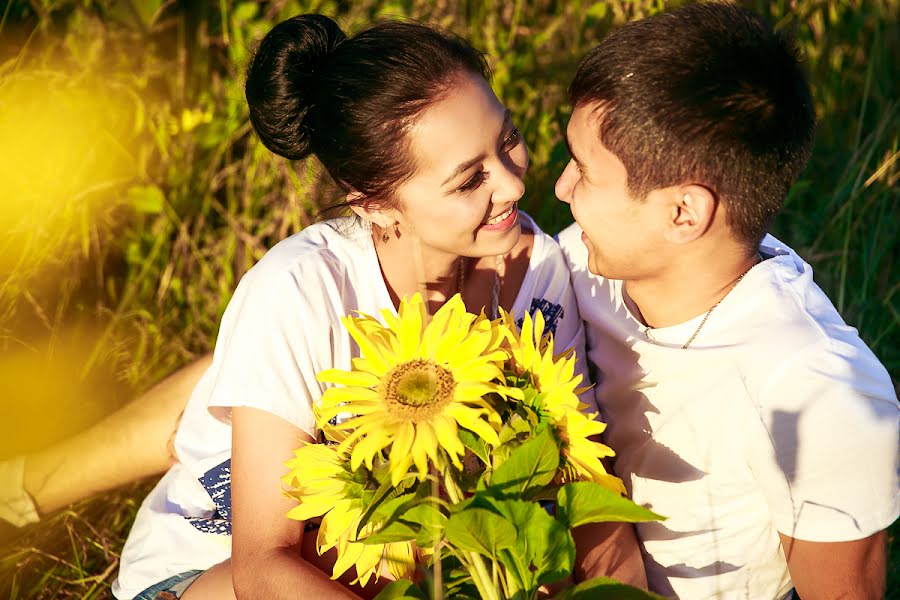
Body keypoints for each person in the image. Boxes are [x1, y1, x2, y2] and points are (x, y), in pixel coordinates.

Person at [5, 14, 636, 600]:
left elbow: (572, 476)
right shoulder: (299, 289)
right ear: (373, 203)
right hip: (216, 574)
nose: (514, 183)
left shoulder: (538, 271)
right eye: (469, 179)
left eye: (510, 139)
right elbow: (259, 566)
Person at [554, 3, 898, 600]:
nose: (561, 188)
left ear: (684, 213)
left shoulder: (815, 390)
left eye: (585, 171)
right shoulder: (581, 260)